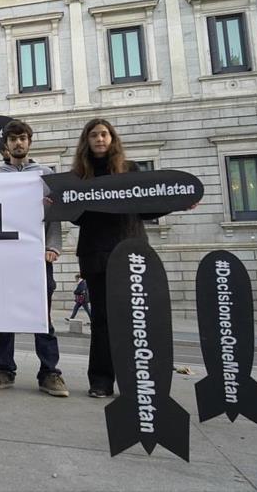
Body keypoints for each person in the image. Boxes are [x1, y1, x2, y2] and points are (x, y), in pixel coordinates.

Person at [69, 118, 171, 398]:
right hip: (95, 254)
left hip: (130, 251)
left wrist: (176, 203)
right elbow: (76, 217)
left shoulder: (131, 170)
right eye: (94, 135)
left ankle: (137, 380)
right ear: (87, 141)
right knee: (102, 319)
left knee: (134, 319)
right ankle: (101, 380)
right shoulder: (79, 176)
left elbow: (146, 209)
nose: (100, 139)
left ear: (112, 139)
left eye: (104, 134)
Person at [0, 120, 70, 397]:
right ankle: (4, 370)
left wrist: (53, 246)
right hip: (5, 258)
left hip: (38, 258)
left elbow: (54, 216)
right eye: (13, 139)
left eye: (22, 138)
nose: (18, 143)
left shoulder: (45, 175)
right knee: (3, 315)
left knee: (42, 316)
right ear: (6, 145)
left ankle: (49, 373)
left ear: (29, 142)